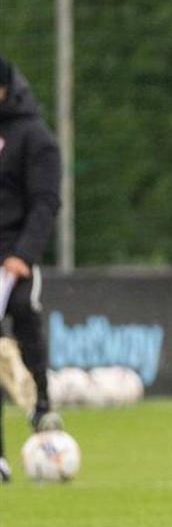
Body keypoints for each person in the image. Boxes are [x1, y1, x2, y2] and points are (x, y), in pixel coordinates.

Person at [0, 55, 65, 484]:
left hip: (13, 258)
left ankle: (41, 403)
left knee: (24, 315)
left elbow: (44, 202)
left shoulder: (33, 137)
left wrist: (23, 253)